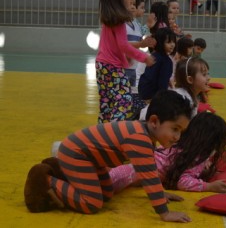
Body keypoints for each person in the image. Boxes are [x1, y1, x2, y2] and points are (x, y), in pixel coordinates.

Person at [25, 90, 193, 223]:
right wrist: (164, 213)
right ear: (154, 121)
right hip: (76, 154)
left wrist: (160, 193)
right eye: (175, 129)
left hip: (90, 158)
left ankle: (61, 171)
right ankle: (45, 179)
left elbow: (149, 173)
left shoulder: (146, 135)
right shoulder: (139, 138)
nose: (177, 137)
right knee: (92, 203)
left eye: (181, 132)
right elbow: (149, 177)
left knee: (106, 193)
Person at [109, 112, 226, 194]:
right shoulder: (195, 157)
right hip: (136, 171)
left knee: (108, 178)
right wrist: (209, 187)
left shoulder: (182, 145)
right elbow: (183, 182)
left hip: (137, 167)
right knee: (108, 183)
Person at [95, 0, 155, 123]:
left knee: (107, 102)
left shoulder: (110, 20)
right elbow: (123, 45)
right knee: (125, 99)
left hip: (102, 65)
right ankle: (115, 131)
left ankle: (102, 130)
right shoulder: (119, 22)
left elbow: (117, 46)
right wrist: (144, 57)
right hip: (112, 66)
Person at [138, 28, 176, 101]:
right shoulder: (166, 61)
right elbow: (162, 83)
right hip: (153, 96)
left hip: (144, 92)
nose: (172, 45)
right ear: (160, 43)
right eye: (168, 42)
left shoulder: (154, 56)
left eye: (173, 42)